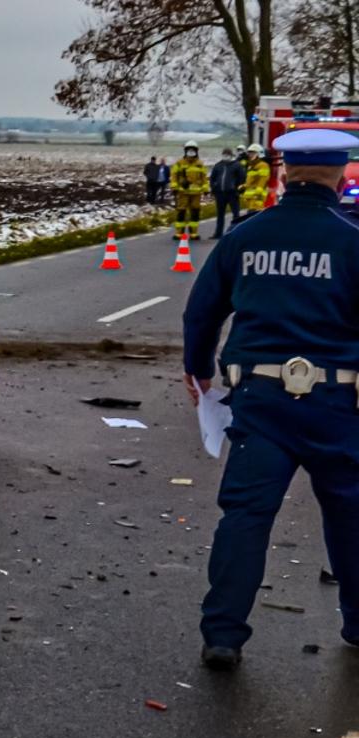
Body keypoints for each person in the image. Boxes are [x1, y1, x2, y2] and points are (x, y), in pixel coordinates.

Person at [181, 127, 359, 672]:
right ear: (338, 175)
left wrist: (198, 370)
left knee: (246, 515)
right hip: (338, 405)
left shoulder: (244, 236)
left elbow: (202, 310)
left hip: (260, 400)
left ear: (284, 173)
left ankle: (224, 635)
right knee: (350, 514)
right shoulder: (352, 239)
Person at [169, 140, 210, 239]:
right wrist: (174, 187)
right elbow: (174, 176)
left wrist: (206, 189)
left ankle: (193, 233)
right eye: (189, 150)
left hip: (196, 193)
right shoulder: (179, 163)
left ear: (196, 151)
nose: (191, 152)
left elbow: (204, 178)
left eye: (193, 150)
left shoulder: (200, 164)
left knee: (195, 212)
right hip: (183, 192)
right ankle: (179, 233)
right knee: (181, 212)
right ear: (185, 151)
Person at [210, 147, 246, 238]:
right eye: (224, 154)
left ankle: (235, 233)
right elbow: (212, 178)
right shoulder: (218, 165)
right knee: (220, 214)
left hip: (232, 194)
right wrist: (214, 188)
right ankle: (218, 233)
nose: (225, 156)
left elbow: (242, 178)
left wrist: (238, 189)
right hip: (220, 194)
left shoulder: (237, 165)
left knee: (236, 214)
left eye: (227, 155)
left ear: (231, 155)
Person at [241, 144, 272, 217]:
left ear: (259, 154)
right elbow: (251, 181)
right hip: (250, 198)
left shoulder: (263, 165)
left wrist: (258, 193)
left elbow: (263, 180)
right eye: (249, 153)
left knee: (254, 218)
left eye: (253, 153)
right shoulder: (251, 165)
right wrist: (243, 186)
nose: (250, 155)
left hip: (257, 198)